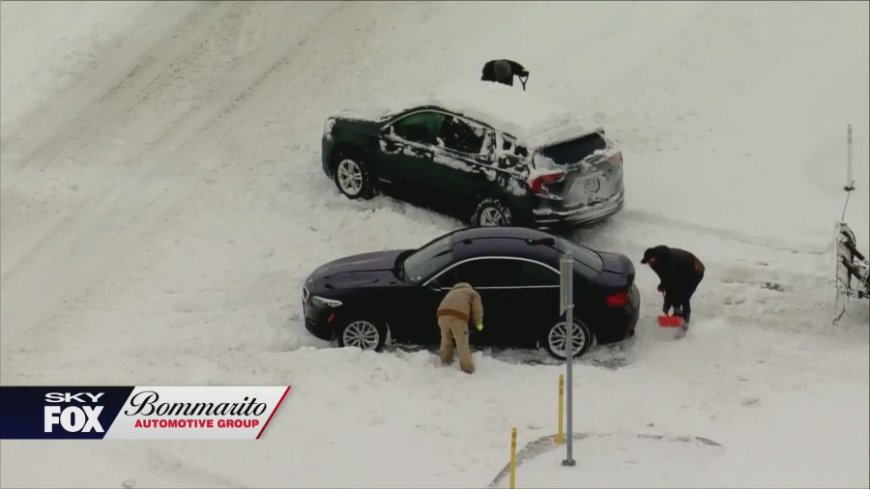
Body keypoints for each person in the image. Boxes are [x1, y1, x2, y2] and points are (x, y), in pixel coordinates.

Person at [641, 245, 705, 333]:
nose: (649, 263)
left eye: (651, 260)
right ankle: (677, 316)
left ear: (656, 257)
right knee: (676, 294)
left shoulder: (668, 261)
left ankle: (684, 326)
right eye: (648, 261)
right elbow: (666, 276)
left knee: (684, 297)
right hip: (681, 271)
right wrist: (663, 284)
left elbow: (671, 284)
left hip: (695, 271)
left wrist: (667, 305)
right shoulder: (656, 262)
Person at [436, 282, 484, 374]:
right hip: (458, 317)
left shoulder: (452, 292)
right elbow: (477, 311)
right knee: (462, 343)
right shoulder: (473, 294)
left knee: (446, 340)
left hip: (441, 315)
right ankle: (468, 369)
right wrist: (478, 324)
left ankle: (445, 362)